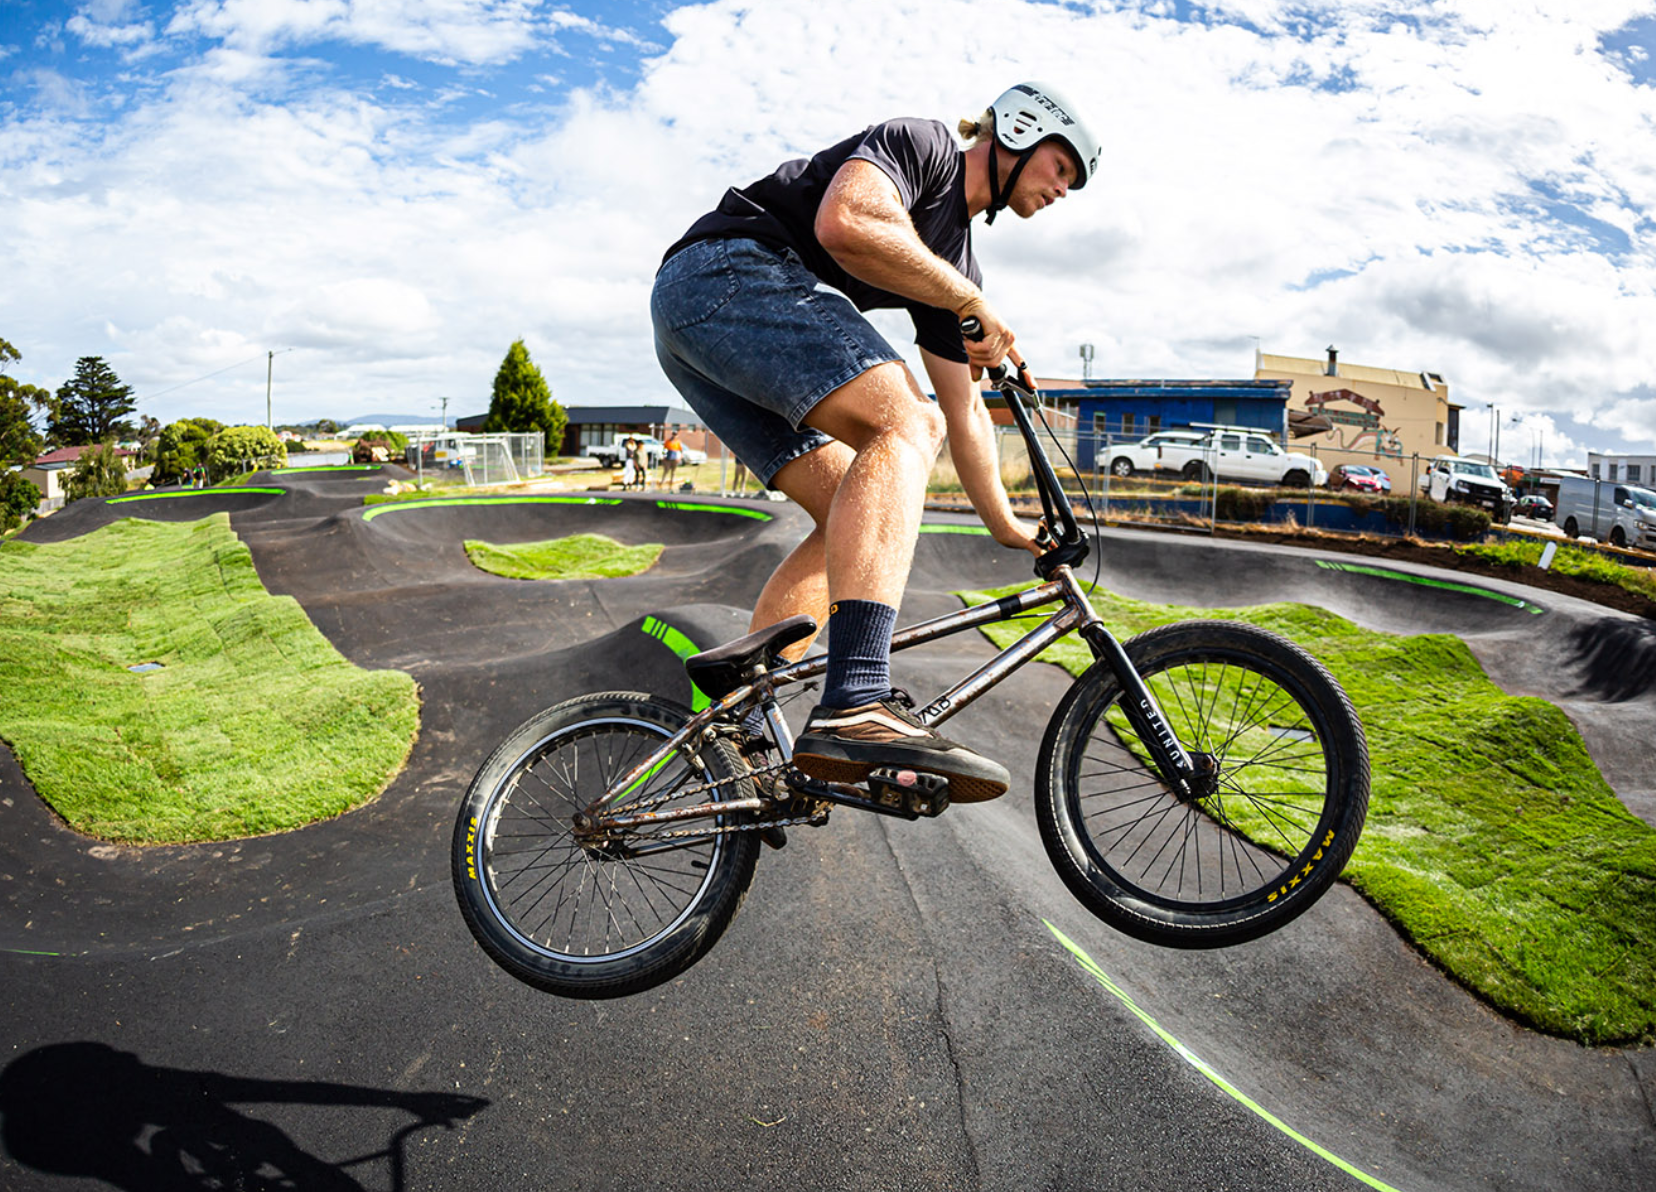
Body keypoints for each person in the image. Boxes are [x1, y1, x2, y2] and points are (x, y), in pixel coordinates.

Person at [651, 82, 1100, 800]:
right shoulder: (922, 146)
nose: (1064, 189)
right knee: (904, 422)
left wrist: (1007, 526)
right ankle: (856, 694)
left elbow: (967, 412)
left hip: (700, 328)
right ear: (1018, 131)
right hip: (724, 276)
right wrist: (968, 301)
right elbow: (847, 220)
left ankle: (736, 733)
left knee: (848, 508)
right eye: (1062, 167)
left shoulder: (953, 267)